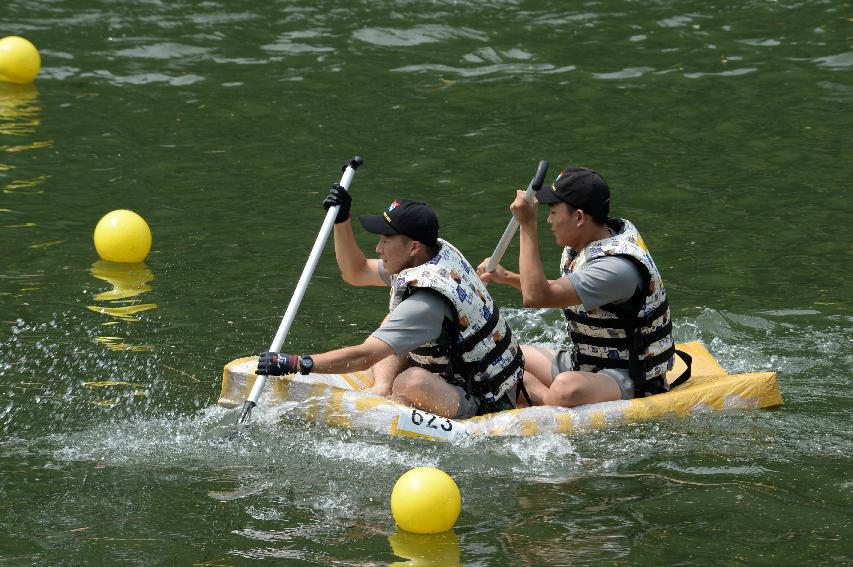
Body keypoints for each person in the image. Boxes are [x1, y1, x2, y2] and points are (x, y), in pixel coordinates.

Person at [256, 184, 525, 420]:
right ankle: (381, 389)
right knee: (391, 324)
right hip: (457, 371)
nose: (378, 248)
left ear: (413, 247)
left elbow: (364, 357)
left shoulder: (425, 302)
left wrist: (295, 363)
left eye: (386, 240)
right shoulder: (430, 256)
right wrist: (342, 220)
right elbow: (356, 272)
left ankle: (394, 393)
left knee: (411, 382)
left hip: (477, 398)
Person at [477, 166, 689, 408]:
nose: (549, 220)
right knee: (504, 358)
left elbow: (536, 297)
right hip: (587, 362)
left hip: (629, 376)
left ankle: (540, 399)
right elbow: (560, 290)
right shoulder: (592, 241)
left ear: (579, 217)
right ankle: (530, 391)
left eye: (554, 213)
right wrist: (508, 277)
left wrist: (527, 225)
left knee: (565, 389)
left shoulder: (614, 269)